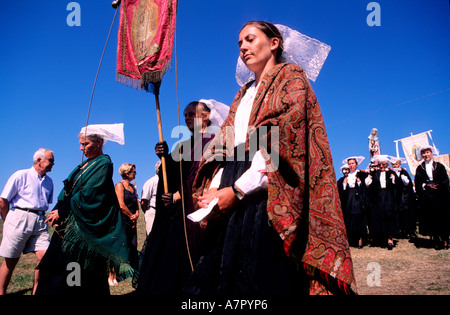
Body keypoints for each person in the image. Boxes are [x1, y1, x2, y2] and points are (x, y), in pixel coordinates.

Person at [183, 21, 356, 295]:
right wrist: (215, 186)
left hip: (268, 190)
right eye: (239, 43)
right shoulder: (242, 94)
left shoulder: (291, 77)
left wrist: (239, 190)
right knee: (220, 274)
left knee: (262, 274)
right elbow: (226, 145)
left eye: (250, 39)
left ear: (274, 43)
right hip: (232, 179)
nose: (243, 47)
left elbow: (284, 142)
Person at [135, 100, 229, 295]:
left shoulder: (216, 139)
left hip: (202, 204)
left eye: (192, 113)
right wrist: (164, 154)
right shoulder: (185, 144)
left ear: (205, 116)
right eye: (185, 114)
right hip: (180, 210)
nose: (187, 118)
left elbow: (214, 171)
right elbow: (171, 172)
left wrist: (181, 194)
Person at [35, 123, 135, 295]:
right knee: (58, 271)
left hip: (84, 231)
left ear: (98, 143)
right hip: (69, 226)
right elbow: (68, 189)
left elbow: (89, 194)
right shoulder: (85, 164)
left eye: (85, 144)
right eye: (80, 144)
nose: (81, 148)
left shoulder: (104, 164)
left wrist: (63, 211)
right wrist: (57, 211)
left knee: (79, 275)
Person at [0, 148, 54, 295]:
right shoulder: (20, 175)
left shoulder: (49, 182)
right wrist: (7, 221)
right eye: (50, 160)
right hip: (19, 217)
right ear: (39, 161)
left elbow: (46, 203)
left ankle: (37, 291)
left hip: (40, 220)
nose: (53, 163)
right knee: (11, 260)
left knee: (45, 258)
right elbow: (3, 200)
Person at [109, 163, 139, 286]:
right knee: (117, 249)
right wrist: (130, 216)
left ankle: (132, 274)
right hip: (122, 221)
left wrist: (136, 214)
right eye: (133, 171)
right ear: (127, 173)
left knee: (132, 246)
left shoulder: (133, 187)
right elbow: (121, 205)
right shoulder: (119, 186)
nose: (135, 173)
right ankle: (112, 276)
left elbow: (136, 203)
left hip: (132, 221)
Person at [414, 145, 449, 249]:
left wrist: (437, 185)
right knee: (432, 218)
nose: (426, 155)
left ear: (431, 153)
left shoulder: (439, 166)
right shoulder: (420, 168)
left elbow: (445, 180)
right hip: (428, 197)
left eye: (427, 152)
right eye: (424, 153)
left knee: (442, 218)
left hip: (439, 196)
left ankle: (445, 239)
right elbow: (418, 182)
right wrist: (426, 185)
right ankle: (436, 240)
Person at [365, 155, 400, 249]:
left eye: (383, 164)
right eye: (380, 165)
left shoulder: (391, 173)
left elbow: (397, 185)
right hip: (378, 198)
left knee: (389, 216)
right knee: (379, 217)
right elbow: (368, 184)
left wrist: (393, 179)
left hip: (389, 197)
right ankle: (381, 238)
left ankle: (390, 239)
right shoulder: (375, 174)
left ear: (387, 164)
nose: (381, 166)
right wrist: (369, 176)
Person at [337, 156, 368, 248]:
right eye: (349, 164)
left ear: (356, 164)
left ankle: (360, 239)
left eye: (352, 163)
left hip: (358, 199)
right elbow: (343, 190)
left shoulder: (361, 174)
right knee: (350, 218)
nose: (351, 165)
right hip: (349, 199)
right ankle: (352, 239)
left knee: (358, 217)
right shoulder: (346, 176)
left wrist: (359, 183)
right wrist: (345, 183)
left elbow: (366, 187)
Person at [390, 157, 417, 239]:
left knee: (406, 213)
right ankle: (399, 230)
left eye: (396, 164)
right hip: (395, 196)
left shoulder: (403, 172)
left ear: (399, 164)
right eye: (393, 164)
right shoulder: (390, 172)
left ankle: (408, 231)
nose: (395, 166)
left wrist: (403, 178)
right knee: (397, 214)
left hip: (404, 196)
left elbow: (408, 183)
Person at [140, 161, 161, 235]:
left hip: (163, 213)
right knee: (152, 236)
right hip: (153, 211)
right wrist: (148, 212)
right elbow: (143, 202)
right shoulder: (151, 182)